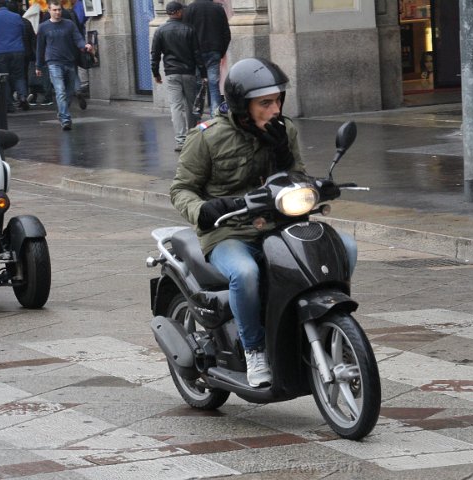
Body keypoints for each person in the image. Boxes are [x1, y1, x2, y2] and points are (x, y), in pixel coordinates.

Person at [169, 58, 358, 388]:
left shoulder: (285, 130)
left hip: (279, 223)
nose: (274, 109)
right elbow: (181, 188)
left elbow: (297, 175)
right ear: (242, 105)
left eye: (277, 101)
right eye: (265, 103)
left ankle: (322, 322)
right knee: (245, 273)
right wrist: (206, 210)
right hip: (229, 230)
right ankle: (254, 349)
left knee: (345, 247)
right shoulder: (207, 138)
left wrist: (287, 158)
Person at [151, 2, 203, 152]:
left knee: (176, 106)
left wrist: (156, 73)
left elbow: (155, 55)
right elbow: (197, 54)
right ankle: (192, 136)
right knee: (190, 104)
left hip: (171, 72)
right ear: (179, 12)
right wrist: (203, 73)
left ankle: (180, 140)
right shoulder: (189, 29)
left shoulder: (160, 31)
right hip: (188, 72)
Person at [35, 0, 92, 130]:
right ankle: (66, 119)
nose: (57, 12)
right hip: (54, 63)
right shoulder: (43, 27)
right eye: (54, 10)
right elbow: (40, 47)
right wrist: (38, 66)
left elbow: (78, 39)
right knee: (60, 91)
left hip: (70, 62)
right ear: (49, 10)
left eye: (59, 10)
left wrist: (84, 46)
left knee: (69, 92)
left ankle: (62, 113)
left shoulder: (69, 25)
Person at [183, 0, 231, 116]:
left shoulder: (190, 8)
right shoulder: (218, 8)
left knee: (198, 84)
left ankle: (197, 114)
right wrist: (221, 51)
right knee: (214, 86)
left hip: (196, 53)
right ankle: (215, 116)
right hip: (214, 51)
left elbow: (185, 32)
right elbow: (226, 33)